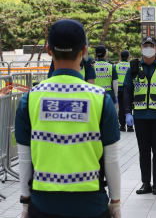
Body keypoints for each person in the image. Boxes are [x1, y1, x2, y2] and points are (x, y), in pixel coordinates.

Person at [15, 19, 121, 218]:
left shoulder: (30, 99)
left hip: (43, 205)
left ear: (48, 50)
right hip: (91, 205)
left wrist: (25, 202)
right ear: (84, 50)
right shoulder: (100, 99)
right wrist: (115, 202)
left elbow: (24, 158)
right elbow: (112, 159)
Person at [123, 37, 156, 195]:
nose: (148, 48)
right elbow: (127, 91)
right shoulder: (133, 68)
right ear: (141, 47)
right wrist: (127, 112)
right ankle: (146, 183)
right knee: (143, 151)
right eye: (145, 45)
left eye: (151, 45)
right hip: (139, 117)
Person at [115, 50, 134, 132]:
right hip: (129, 89)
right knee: (129, 107)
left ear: (120, 57)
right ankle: (130, 126)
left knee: (121, 107)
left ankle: (122, 126)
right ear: (128, 57)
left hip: (119, 89)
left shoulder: (116, 66)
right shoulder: (131, 65)